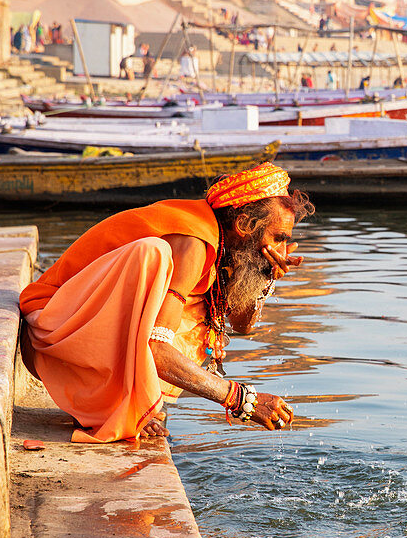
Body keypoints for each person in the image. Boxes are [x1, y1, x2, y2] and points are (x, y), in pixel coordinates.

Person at [18, 163, 312, 443]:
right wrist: (242, 400)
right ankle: (108, 404)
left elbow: (242, 326)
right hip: (50, 333)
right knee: (153, 254)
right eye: (279, 238)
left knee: (201, 311)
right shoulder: (194, 242)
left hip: (66, 338)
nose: (283, 250)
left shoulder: (223, 247)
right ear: (245, 224)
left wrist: (266, 276)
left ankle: (123, 402)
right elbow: (157, 351)